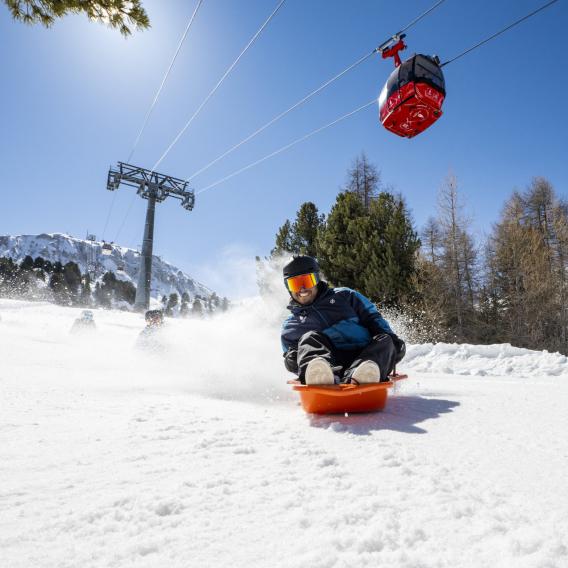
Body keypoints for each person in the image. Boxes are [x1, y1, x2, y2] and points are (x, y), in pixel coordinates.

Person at [281, 255, 406, 385]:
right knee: (310, 338)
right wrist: (291, 360)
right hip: (327, 364)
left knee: (385, 340)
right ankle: (321, 376)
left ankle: (364, 374)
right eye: (295, 284)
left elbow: (372, 318)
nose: (302, 289)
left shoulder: (345, 296)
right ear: (288, 287)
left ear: (317, 279)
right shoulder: (291, 325)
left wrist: (393, 341)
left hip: (365, 355)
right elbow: (293, 355)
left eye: (307, 281)